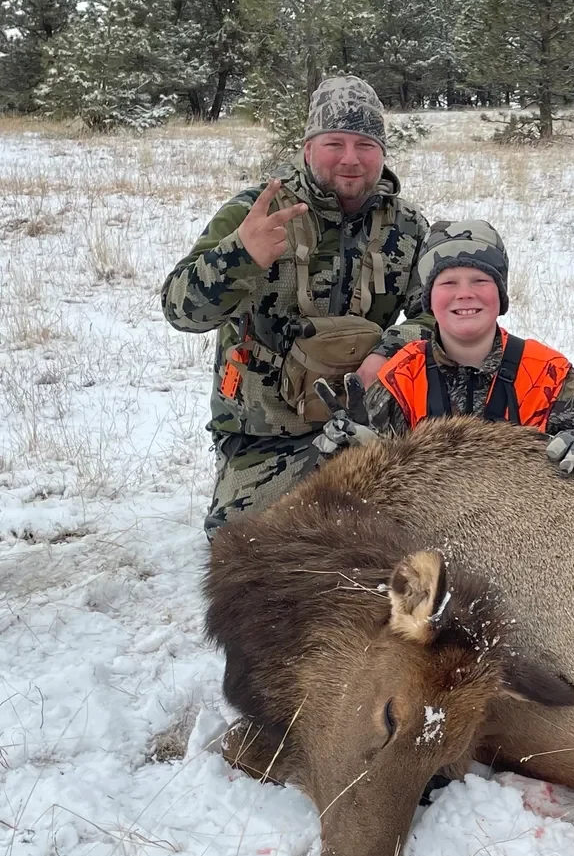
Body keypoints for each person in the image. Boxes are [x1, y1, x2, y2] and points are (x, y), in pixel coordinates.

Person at [160, 75, 432, 539]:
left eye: (365, 145)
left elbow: (436, 316)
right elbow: (180, 310)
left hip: (368, 422)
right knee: (254, 550)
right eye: (334, 143)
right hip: (268, 433)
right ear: (308, 148)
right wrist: (239, 257)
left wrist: (389, 352)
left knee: (413, 535)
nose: (350, 158)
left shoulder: (407, 226)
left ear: (382, 153)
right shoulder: (255, 213)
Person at [314, 220, 574, 480]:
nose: (464, 294)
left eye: (480, 280)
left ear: (500, 294)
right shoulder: (401, 377)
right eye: (448, 283)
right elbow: (354, 488)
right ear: (429, 298)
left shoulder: (547, 373)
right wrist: (351, 458)